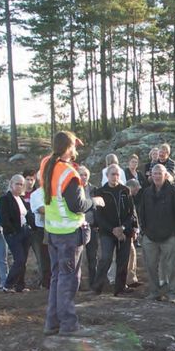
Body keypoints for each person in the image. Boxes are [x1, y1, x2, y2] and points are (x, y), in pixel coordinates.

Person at [40, 131, 102, 335]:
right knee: (68, 279)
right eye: (74, 146)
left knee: (57, 277)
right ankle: (68, 324)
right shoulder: (68, 174)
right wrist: (94, 201)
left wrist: (68, 143)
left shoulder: (47, 165)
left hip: (52, 232)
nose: (76, 149)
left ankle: (52, 322)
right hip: (68, 233)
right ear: (68, 149)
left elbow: (56, 155)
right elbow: (77, 205)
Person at [136, 163, 175, 305]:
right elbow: (141, 213)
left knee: (172, 267)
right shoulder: (146, 192)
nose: (157, 176)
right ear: (151, 175)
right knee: (151, 266)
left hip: (169, 236)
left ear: (165, 175)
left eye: (160, 173)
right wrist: (144, 231)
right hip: (150, 237)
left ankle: (172, 294)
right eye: (154, 173)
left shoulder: (174, 191)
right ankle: (154, 292)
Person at [92, 164, 138, 296]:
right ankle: (97, 287)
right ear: (107, 176)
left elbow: (131, 212)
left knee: (123, 260)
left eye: (118, 174)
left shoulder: (125, 190)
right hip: (107, 231)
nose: (115, 177)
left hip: (124, 231)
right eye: (113, 174)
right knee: (105, 258)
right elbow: (98, 216)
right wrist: (113, 229)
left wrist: (123, 228)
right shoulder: (100, 192)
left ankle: (120, 288)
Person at [0, 174, 32, 292]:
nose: (19, 186)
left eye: (21, 184)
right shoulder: (5, 199)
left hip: (25, 231)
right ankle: (8, 285)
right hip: (13, 233)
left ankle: (20, 285)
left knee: (23, 260)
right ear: (11, 184)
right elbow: (4, 219)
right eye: (17, 183)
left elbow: (27, 215)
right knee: (19, 259)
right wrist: (12, 232)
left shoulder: (21, 199)